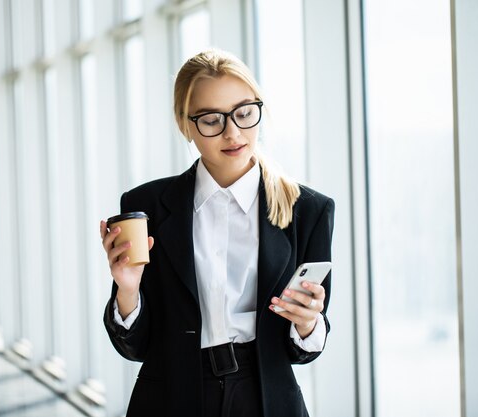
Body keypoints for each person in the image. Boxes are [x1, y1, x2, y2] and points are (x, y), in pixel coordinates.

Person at [100, 49, 335, 417]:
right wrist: (127, 291)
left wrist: (307, 323)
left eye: (244, 113)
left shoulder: (308, 210)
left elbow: (301, 352)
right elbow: (137, 347)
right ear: (185, 124)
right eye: (211, 120)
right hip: (170, 399)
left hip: (265, 399)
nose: (233, 132)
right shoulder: (147, 205)